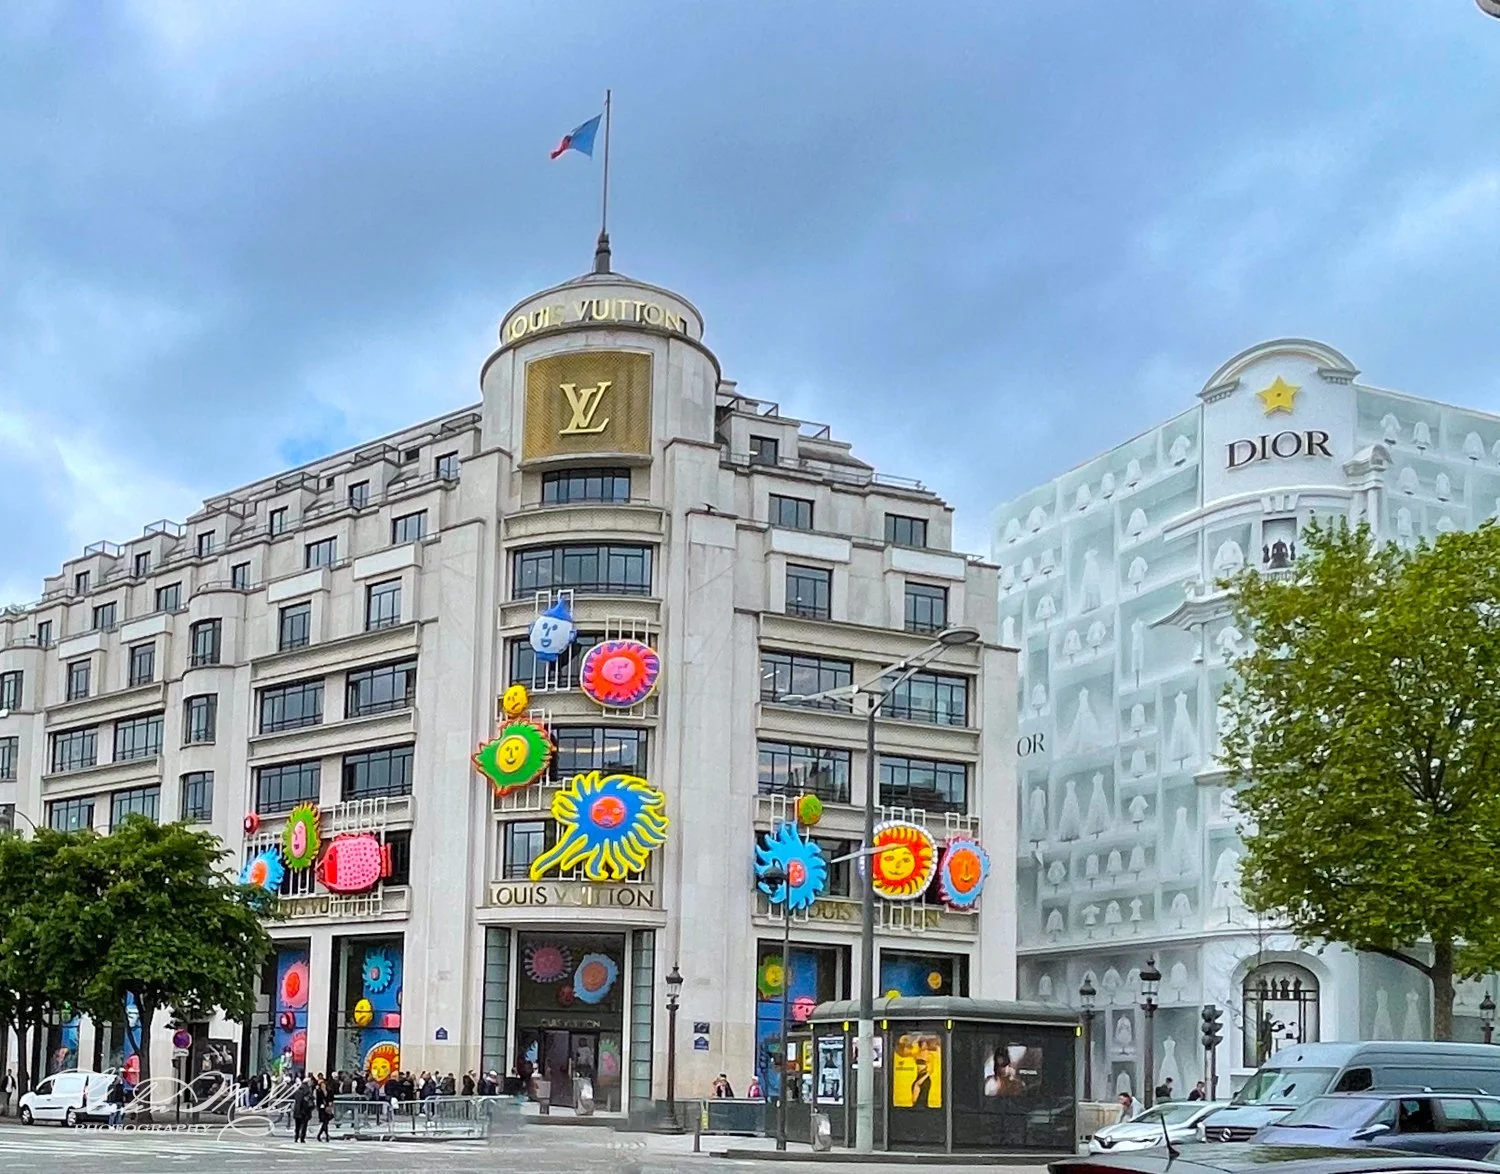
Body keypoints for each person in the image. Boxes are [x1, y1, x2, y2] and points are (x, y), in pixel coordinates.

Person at [291, 1077, 316, 1143]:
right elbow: (308, 1101)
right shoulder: (307, 1091)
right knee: (304, 1125)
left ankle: (296, 1137)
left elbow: (295, 1098)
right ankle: (302, 1137)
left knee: (297, 1125)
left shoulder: (298, 1090)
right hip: (304, 1111)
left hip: (297, 1110)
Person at [315, 1076, 334, 1142]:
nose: (323, 1086)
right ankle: (325, 1135)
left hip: (327, 1108)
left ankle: (321, 1135)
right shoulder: (319, 1092)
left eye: (324, 1085)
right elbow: (318, 1101)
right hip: (322, 1108)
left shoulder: (329, 1091)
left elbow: (331, 1098)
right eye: (322, 1085)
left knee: (325, 1122)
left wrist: (330, 1103)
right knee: (325, 1122)